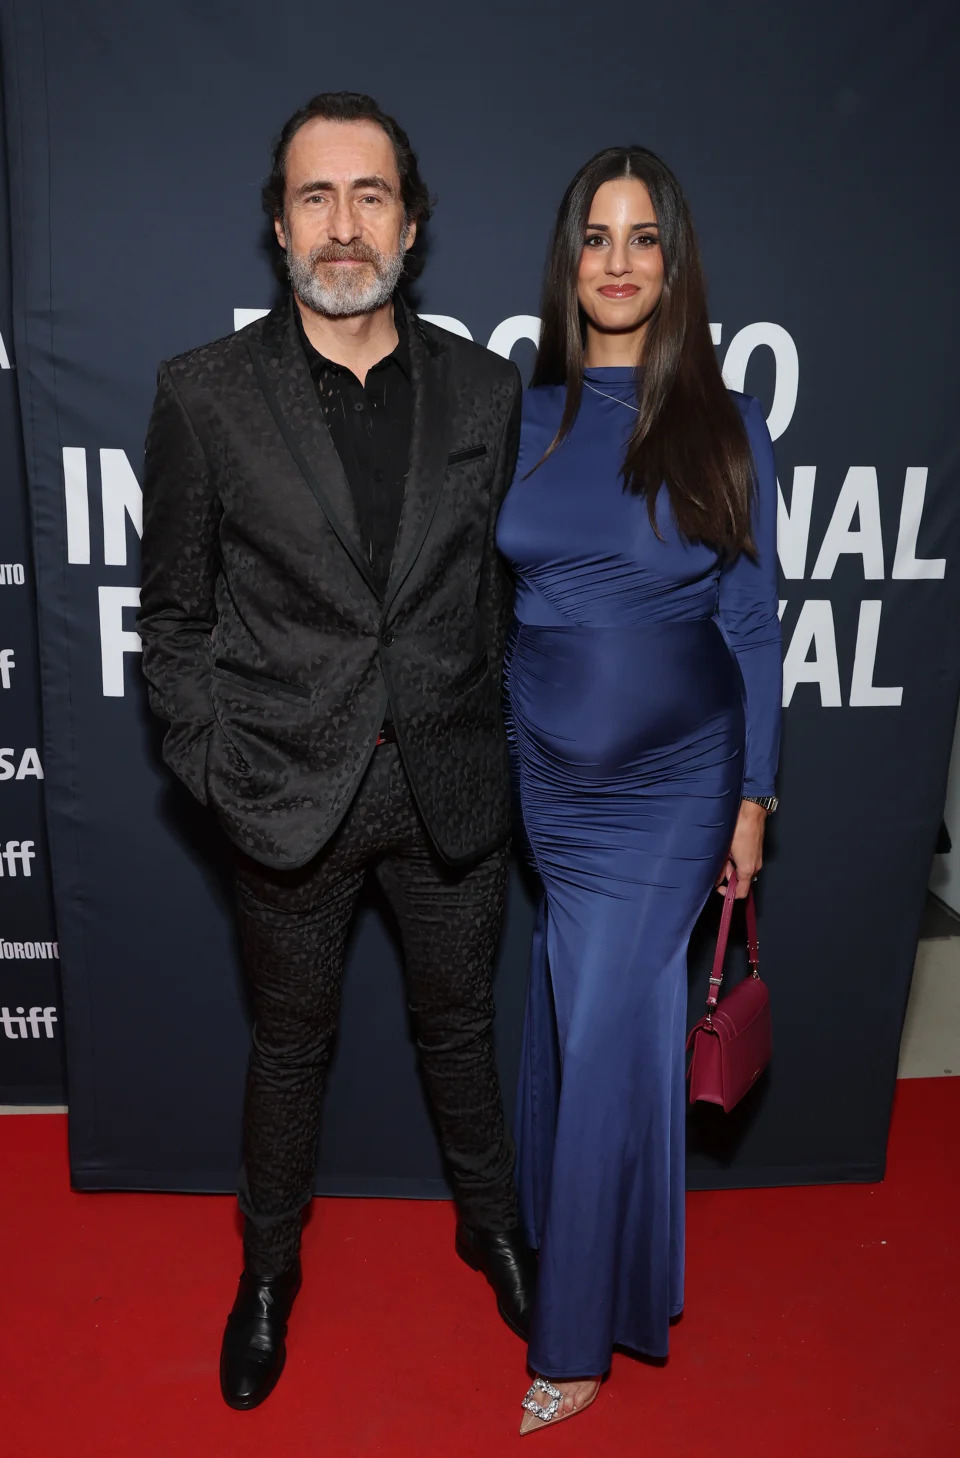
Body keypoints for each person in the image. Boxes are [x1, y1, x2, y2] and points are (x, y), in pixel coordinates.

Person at [138, 91, 535, 1412]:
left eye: (371, 195)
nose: (344, 223)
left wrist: (487, 731)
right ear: (278, 225)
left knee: (461, 1030)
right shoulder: (202, 394)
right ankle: (266, 1272)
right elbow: (176, 615)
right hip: (288, 794)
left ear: (411, 227)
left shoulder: (485, 391)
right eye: (317, 195)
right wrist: (216, 765)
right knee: (290, 1049)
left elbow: (496, 594)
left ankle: (492, 1228)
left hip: (449, 788)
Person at [496, 146, 781, 1433]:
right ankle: (592, 1252)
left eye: (644, 237)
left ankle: (577, 1342)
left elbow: (755, 624)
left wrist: (755, 800)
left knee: (612, 1026)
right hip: (550, 777)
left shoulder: (724, 425)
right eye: (596, 236)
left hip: (677, 783)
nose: (617, 261)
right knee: (575, 1014)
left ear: (676, 263)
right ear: (569, 260)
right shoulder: (522, 416)